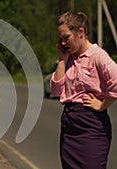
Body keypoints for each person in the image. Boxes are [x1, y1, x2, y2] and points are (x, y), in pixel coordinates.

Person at [51, 11, 117, 169]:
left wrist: (102, 105)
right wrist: (62, 60)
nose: (64, 43)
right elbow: (56, 91)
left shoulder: (98, 56)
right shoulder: (69, 58)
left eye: (66, 37)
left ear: (80, 32)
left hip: (91, 126)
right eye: (61, 39)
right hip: (69, 126)